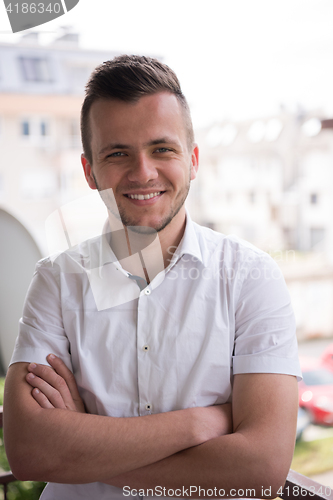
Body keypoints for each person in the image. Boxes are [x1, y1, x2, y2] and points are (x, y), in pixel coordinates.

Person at [3, 55, 301, 500]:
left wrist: (88, 444)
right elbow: (30, 452)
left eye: (162, 149)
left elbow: (261, 469)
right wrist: (202, 422)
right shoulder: (56, 280)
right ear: (90, 172)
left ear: (193, 160)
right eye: (117, 153)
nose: (143, 172)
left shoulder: (251, 278)